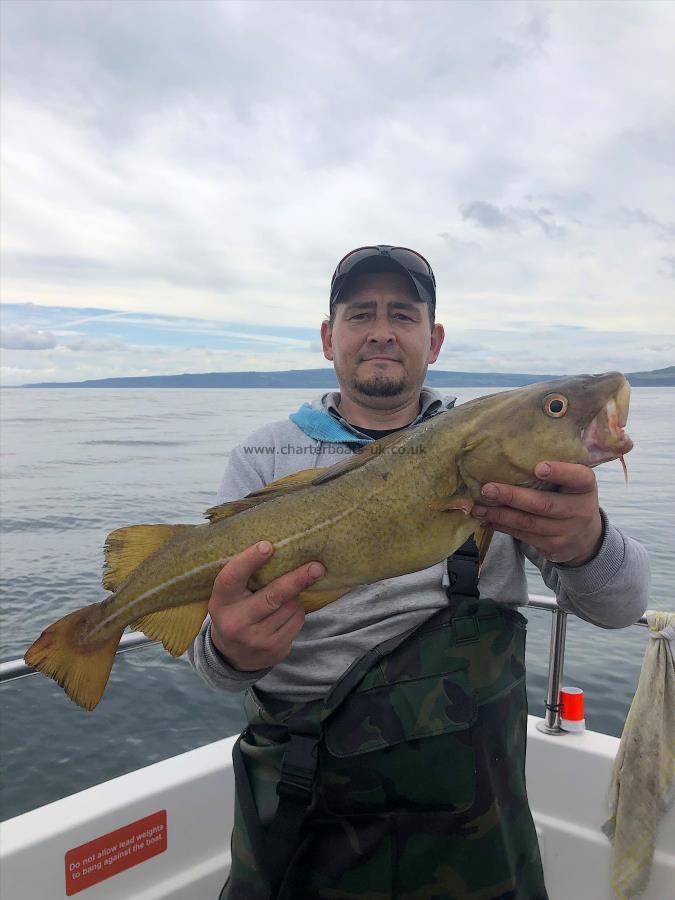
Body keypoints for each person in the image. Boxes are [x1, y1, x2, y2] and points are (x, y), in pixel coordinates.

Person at [189, 245, 650, 900]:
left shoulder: (504, 453)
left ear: (431, 340)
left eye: (402, 315)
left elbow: (618, 605)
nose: (381, 330)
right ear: (329, 337)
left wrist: (584, 540)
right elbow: (211, 660)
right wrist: (229, 651)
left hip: (474, 809)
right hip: (303, 798)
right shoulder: (263, 456)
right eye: (360, 314)